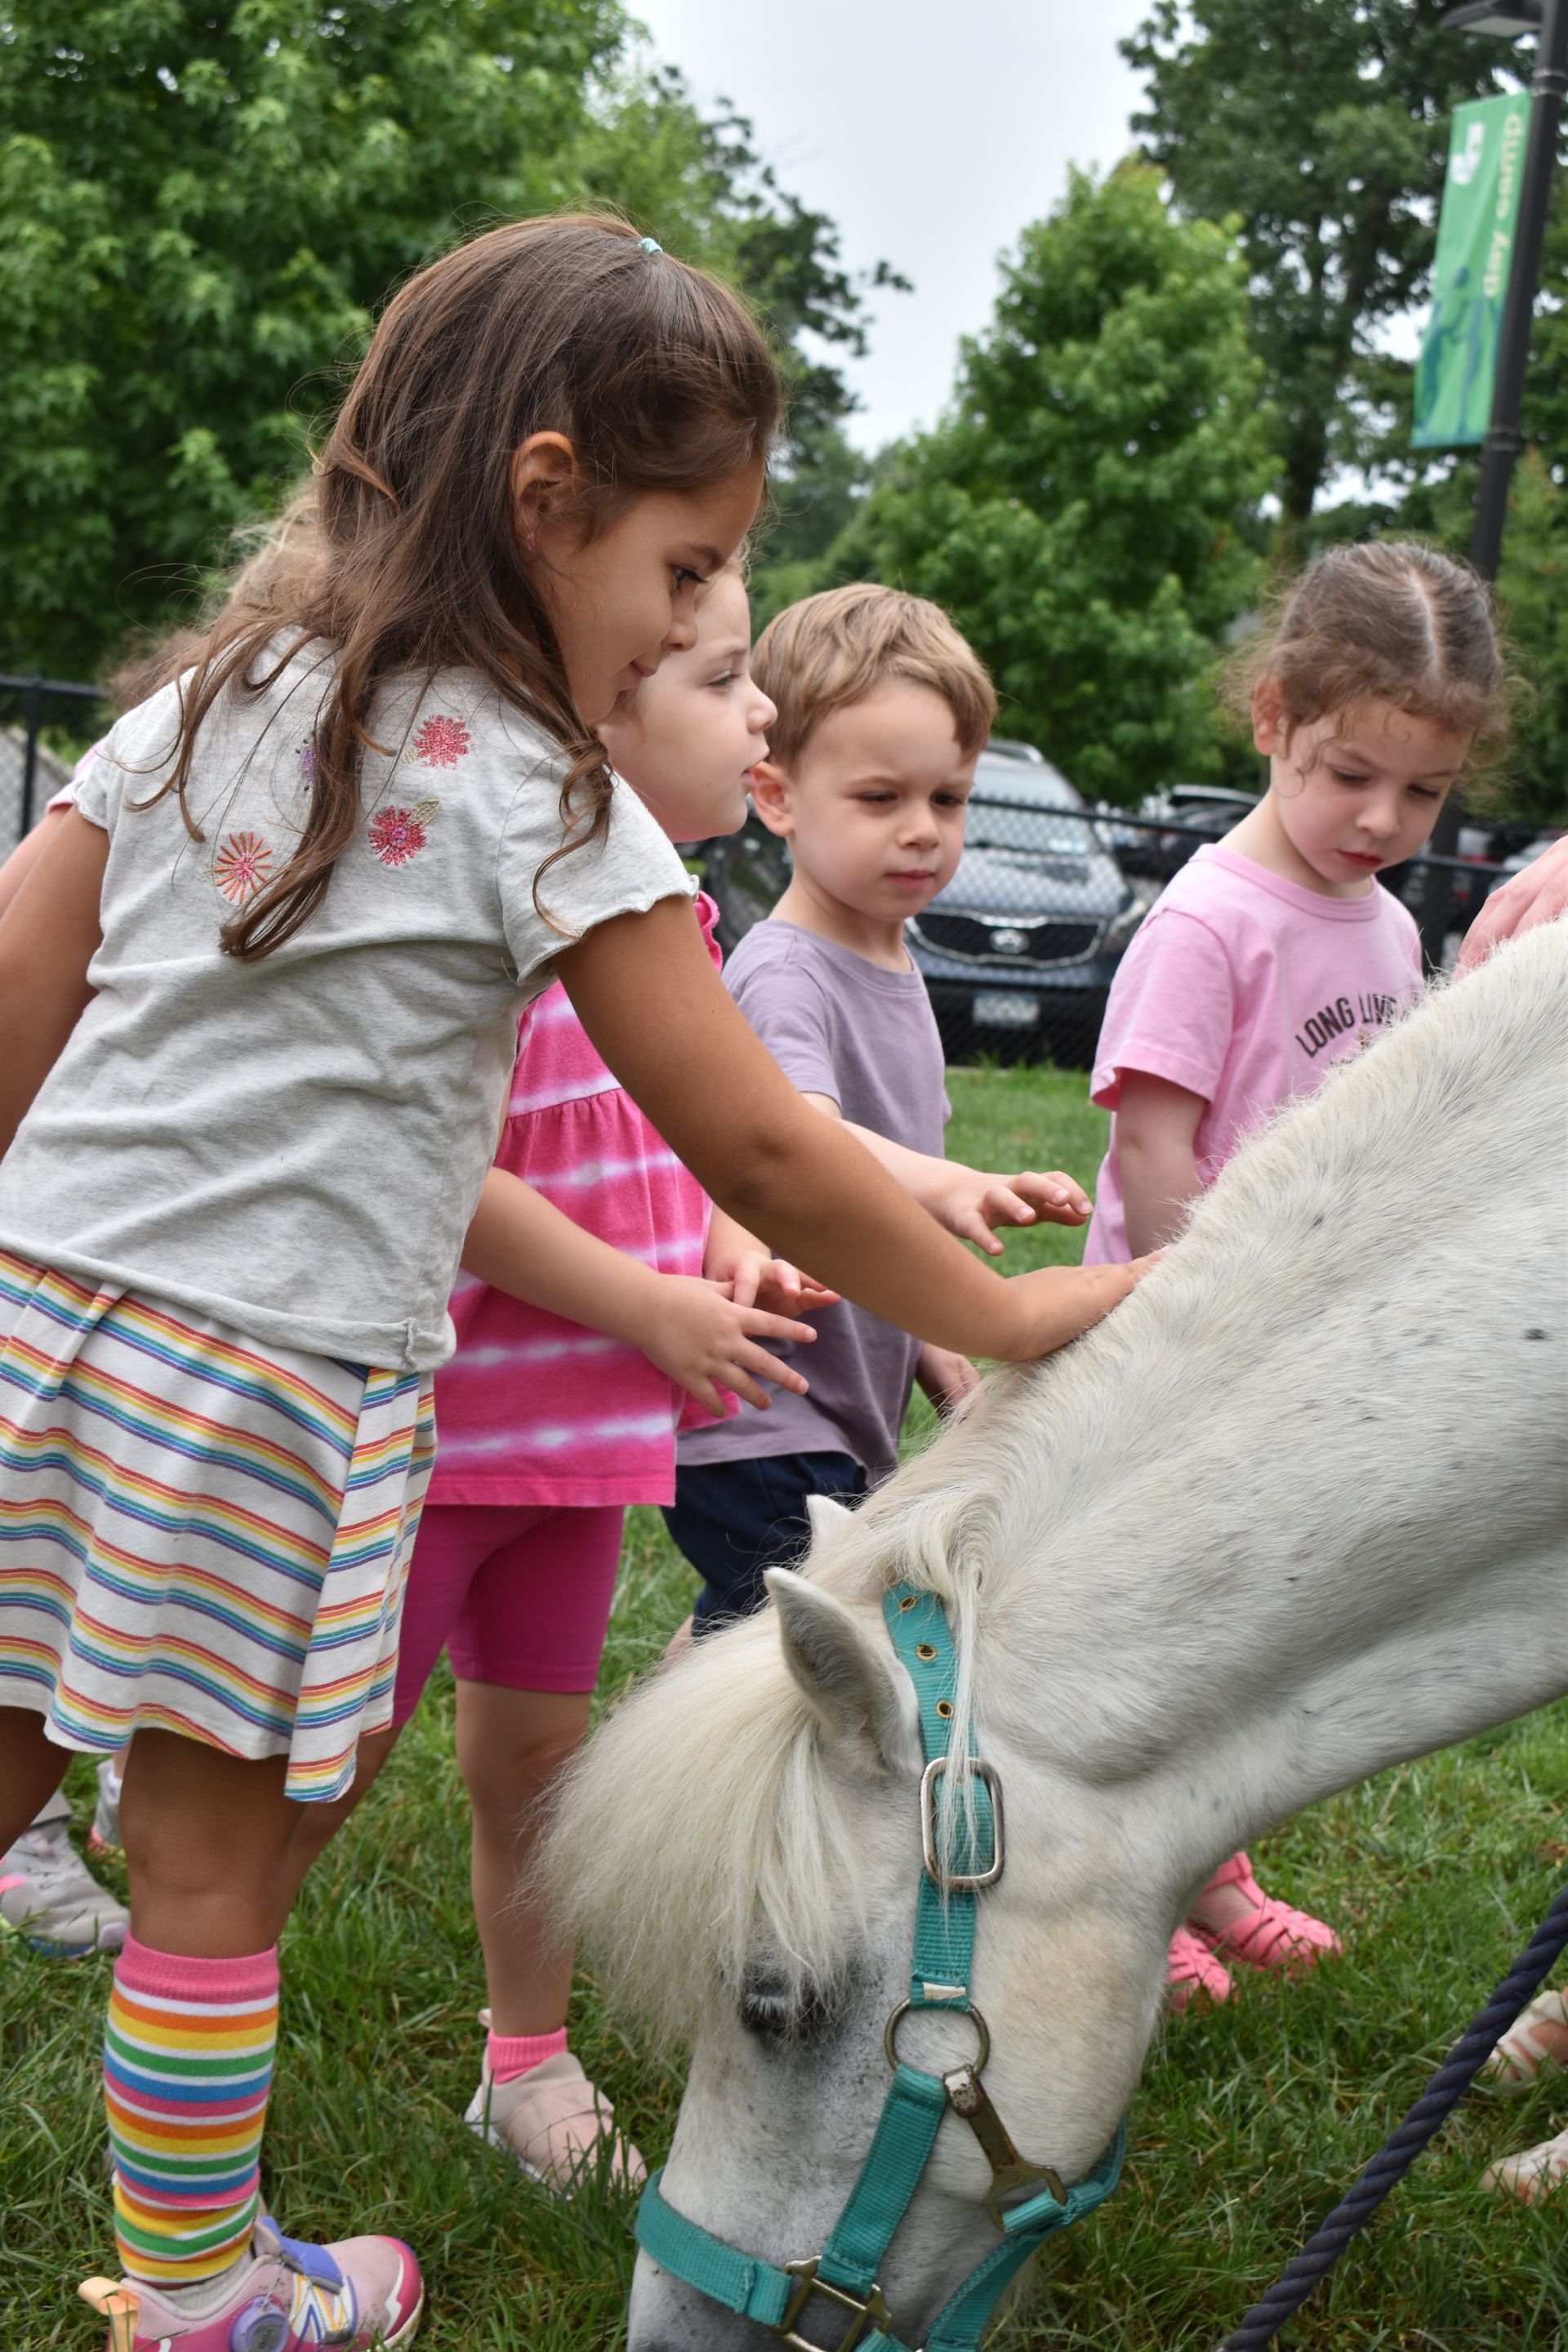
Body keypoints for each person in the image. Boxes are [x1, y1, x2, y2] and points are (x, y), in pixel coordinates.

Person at [0, 218, 1149, 2352]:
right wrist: (999, 1320)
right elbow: (760, 1145)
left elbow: (4, 1014)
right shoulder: (542, 788)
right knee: (205, 1875)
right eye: (691, 569)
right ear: (546, 500)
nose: (712, 622)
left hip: (27, 1338)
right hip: (258, 1393)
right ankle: (204, 2300)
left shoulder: (203, 701)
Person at [273, 561, 828, 2194]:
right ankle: (197, 2007)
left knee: (540, 1774)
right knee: (309, 1778)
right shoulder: (510, 900)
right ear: (601, 705)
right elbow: (457, 1168)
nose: (761, 713)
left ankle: (529, 2059)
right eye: (723, 680)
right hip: (439, 1438)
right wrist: (652, 1314)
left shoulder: (669, 920)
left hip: (580, 1452)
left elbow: (690, 1129)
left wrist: (723, 1233)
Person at [1080, 538, 1508, 2011]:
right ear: (1271, 715)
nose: (1384, 819)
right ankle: (1137, 1886)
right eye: (1349, 774)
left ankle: (1215, 1867)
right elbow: (1152, 1148)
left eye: (1426, 791)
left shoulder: (1391, 927)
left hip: (1304, 1354)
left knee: (1245, 1637)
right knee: (1140, 1633)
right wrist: (1208, 1329)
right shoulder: (1208, 920)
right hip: (1170, 1350)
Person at [668, 583, 1112, 1636]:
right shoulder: (785, 973)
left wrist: (929, 1346)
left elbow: (876, 1201)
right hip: (763, 1413)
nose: (922, 833)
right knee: (811, 1645)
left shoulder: (892, 960)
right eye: (880, 800)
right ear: (776, 797)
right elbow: (805, 1142)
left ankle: (640, 1779)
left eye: (947, 800)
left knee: (754, 1637)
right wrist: (958, 1186)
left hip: (841, 1412)